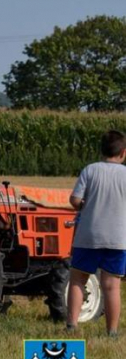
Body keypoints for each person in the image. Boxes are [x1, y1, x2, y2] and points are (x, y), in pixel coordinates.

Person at [67, 130, 126, 337]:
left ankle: (72, 325)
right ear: (123, 153)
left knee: (77, 280)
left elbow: (74, 200)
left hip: (88, 236)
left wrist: (84, 204)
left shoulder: (90, 170)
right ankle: (112, 331)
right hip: (117, 239)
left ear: (101, 150)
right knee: (111, 287)